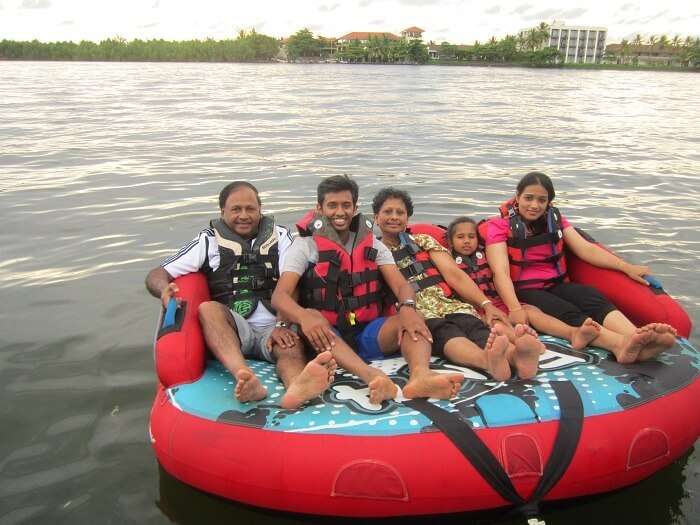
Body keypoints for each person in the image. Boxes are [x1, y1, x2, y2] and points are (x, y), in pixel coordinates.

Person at [271, 175, 464, 403]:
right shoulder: (305, 246)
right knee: (314, 317)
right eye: (332, 205)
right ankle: (371, 376)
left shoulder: (372, 243)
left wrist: (408, 307)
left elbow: (401, 284)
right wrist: (304, 317)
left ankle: (420, 376)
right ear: (319, 208)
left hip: (368, 332)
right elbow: (280, 296)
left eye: (346, 205)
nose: (340, 212)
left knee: (413, 316)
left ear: (354, 208)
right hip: (329, 335)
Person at [145, 181, 336, 409]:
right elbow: (157, 274)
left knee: (290, 347)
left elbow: (291, 283)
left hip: (276, 324)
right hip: (234, 329)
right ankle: (245, 377)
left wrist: (282, 323)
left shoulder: (281, 236)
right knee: (207, 308)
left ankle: (298, 387)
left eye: (250, 209)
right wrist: (163, 289)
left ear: (260, 209)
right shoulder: (207, 242)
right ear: (222, 211)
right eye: (236, 209)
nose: (244, 215)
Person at [484, 171, 676, 363]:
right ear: (517, 197)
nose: (534, 205)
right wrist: (515, 308)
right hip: (525, 291)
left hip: (557, 283)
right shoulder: (499, 226)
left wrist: (625, 267)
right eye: (528, 198)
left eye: (542, 200)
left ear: (549, 202)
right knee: (564, 309)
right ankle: (619, 345)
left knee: (590, 296)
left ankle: (636, 336)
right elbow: (500, 272)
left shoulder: (556, 219)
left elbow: (585, 250)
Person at [372, 187, 545, 381]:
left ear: (408, 217)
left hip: (448, 302)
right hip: (417, 311)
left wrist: (485, 304)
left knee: (473, 325)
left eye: (400, 212)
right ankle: (485, 360)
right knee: (446, 333)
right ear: (376, 217)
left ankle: (517, 356)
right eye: (388, 212)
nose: (394, 217)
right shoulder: (373, 251)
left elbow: (454, 274)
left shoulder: (423, 241)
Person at [447, 216, 602, 350]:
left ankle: (572, 333)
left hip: (499, 302)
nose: (467, 241)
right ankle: (522, 342)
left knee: (531, 311)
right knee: (497, 323)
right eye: (460, 237)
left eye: (471, 237)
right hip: (477, 308)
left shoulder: (487, 253)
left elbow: (500, 273)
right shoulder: (448, 261)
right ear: (451, 242)